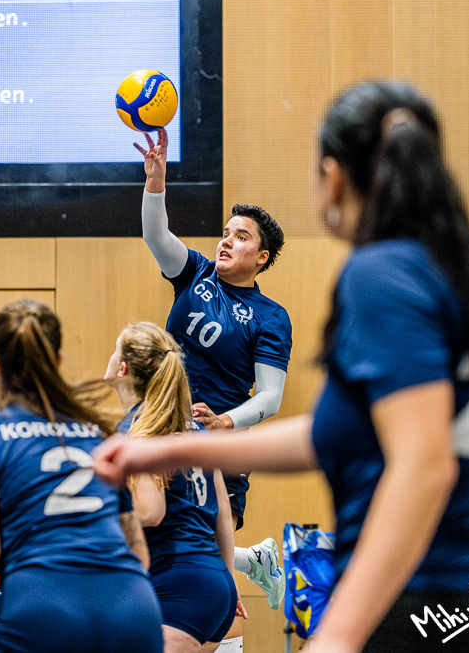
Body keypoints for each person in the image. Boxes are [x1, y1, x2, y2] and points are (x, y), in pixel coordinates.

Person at [96, 81, 469, 653]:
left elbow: (424, 467)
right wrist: (172, 448)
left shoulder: (381, 275)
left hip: (427, 602)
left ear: (333, 175)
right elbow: (334, 436)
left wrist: (339, 631)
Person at [0, 299, 163, 653]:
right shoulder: (97, 434)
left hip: (44, 608)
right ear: (57, 362)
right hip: (134, 608)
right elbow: (139, 554)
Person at [136, 127, 288, 610]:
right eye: (225, 232)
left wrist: (228, 421)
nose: (225, 241)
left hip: (215, 444)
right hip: (161, 425)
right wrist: (155, 183)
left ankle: (235, 579)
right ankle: (247, 564)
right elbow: (156, 235)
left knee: (190, 557)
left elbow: (270, 397)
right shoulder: (196, 273)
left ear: (261, 257)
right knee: (163, 540)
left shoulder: (270, 317)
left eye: (240, 237)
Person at [105, 322, 242, 653]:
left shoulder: (139, 430)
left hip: (177, 586)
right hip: (213, 587)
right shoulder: (194, 428)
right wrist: (228, 585)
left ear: (123, 367)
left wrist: (94, 515)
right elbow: (223, 512)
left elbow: (150, 513)